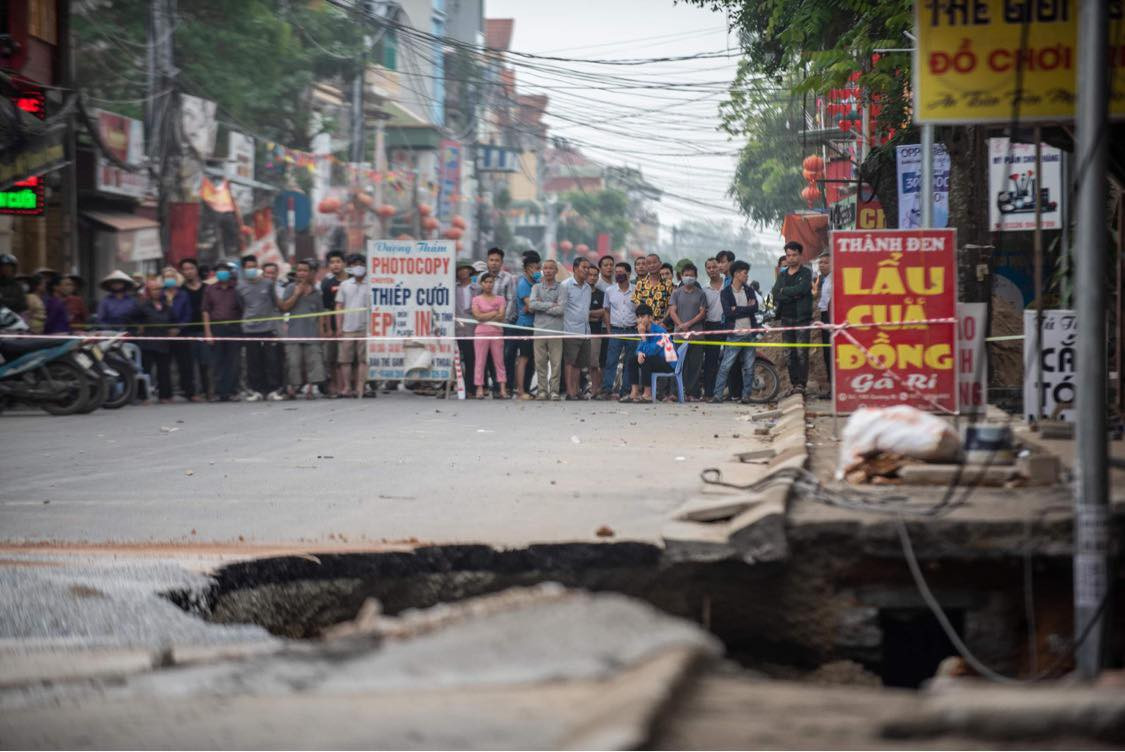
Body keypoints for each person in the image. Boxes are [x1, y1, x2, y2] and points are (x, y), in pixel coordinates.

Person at [713, 260, 760, 404]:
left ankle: (746, 396)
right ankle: (717, 395)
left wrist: (737, 309)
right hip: (734, 335)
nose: (747, 276)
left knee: (749, 368)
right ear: (737, 274)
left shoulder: (749, 290)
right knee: (725, 366)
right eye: (745, 273)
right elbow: (728, 313)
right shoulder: (726, 292)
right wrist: (745, 309)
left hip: (749, 335)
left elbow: (755, 308)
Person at [279, 259, 327, 399]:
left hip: (312, 333)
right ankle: (292, 389)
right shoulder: (290, 288)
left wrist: (322, 331)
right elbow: (284, 307)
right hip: (294, 333)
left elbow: (321, 314)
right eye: (299, 270)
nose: (301, 273)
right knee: (293, 363)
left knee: (313, 362)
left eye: (305, 270)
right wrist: (296, 294)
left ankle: (310, 389)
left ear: (311, 273)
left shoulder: (316, 292)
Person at [770, 241, 814, 396]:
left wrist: (785, 292)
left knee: (801, 352)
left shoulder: (806, 273)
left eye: (794, 255)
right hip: (786, 318)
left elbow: (802, 289)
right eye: (788, 255)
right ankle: (794, 383)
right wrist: (792, 294)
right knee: (789, 353)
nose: (791, 258)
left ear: (800, 256)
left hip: (802, 318)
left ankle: (801, 384)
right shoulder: (782, 275)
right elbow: (776, 293)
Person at [238, 254, 283, 401]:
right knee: (253, 361)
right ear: (243, 269)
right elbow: (241, 305)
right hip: (250, 329)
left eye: (254, 266)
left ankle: (273, 389)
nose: (251, 269)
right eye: (248, 267)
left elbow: (275, 302)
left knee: (271, 359)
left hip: (268, 328)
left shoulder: (267, 284)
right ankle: (256, 390)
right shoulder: (240, 286)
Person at [474, 247, 516, 395]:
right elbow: (477, 300)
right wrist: (491, 315)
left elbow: (511, 300)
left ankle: (502, 388)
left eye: (497, 260)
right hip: (483, 326)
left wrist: (503, 320)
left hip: (502, 324)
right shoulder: (481, 278)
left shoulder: (508, 278)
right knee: (482, 359)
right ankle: (483, 387)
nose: (494, 263)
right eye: (491, 260)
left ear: (501, 262)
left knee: (502, 358)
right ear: (487, 261)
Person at [202, 261, 244, 402]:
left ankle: (232, 391)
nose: (222, 273)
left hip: (234, 328)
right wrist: (208, 332)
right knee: (216, 362)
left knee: (234, 362)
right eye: (219, 271)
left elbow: (242, 309)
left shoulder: (237, 289)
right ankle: (217, 392)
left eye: (225, 270)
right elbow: (206, 311)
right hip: (216, 328)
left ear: (230, 273)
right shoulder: (210, 290)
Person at [602, 261, 640, 402]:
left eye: (621, 272)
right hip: (616, 330)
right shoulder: (609, 291)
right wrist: (609, 329)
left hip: (632, 330)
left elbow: (640, 312)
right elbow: (606, 311)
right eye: (616, 272)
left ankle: (626, 390)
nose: (618, 274)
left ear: (628, 273)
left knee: (630, 362)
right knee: (611, 361)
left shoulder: (637, 290)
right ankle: (607, 390)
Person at [335, 253, 371, 399]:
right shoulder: (345, 285)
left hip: (366, 328)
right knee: (345, 360)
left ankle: (360, 387)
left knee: (363, 359)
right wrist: (339, 326)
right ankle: (347, 387)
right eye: (355, 265)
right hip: (347, 328)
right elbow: (339, 306)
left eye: (361, 264)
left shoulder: (371, 284)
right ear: (350, 267)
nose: (358, 267)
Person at [669, 263, 707, 400]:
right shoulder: (676, 293)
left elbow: (702, 313)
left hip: (696, 335)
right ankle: (676, 392)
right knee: (679, 364)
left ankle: (693, 393)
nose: (688, 278)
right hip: (679, 335)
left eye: (691, 275)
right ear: (681, 276)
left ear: (696, 277)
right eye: (686, 275)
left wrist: (689, 324)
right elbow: (672, 311)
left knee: (695, 365)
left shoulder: (701, 294)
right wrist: (681, 325)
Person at [529, 258, 564, 400]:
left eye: (551, 268)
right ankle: (542, 391)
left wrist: (541, 305)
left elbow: (561, 309)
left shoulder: (562, 288)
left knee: (556, 363)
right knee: (540, 363)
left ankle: (554, 390)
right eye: (546, 268)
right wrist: (551, 304)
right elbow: (532, 305)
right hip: (539, 330)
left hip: (556, 331)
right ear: (542, 271)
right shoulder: (536, 287)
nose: (548, 271)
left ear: (556, 271)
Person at [470, 272, 510, 399]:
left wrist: (485, 316)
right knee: (480, 361)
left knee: (499, 362)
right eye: (486, 282)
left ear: (494, 283)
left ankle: (502, 388)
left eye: (491, 282)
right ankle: (479, 388)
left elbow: (501, 316)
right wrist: (493, 313)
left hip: (497, 332)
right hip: (481, 332)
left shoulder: (500, 299)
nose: (488, 284)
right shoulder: (476, 299)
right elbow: (477, 316)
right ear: (481, 284)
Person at [558, 258, 592, 400]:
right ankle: (570, 392)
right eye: (584, 267)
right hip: (570, 330)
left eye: (588, 267)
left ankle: (577, 390)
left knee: (579, 364)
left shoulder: (588, 288)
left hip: (585, 330)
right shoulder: (565, 285)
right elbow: (561, 307)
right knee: (570, 362)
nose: (587, 270)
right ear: (575, 268)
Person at [157, 267, 194, 400]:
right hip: (163, 333)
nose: (169, 279)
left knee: (185, 364)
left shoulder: (183, 294)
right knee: (163, 365)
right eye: (166, 277)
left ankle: (190, 392)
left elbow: (188, 314)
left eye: (172, 276)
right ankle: (165, 394)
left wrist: (178, 328)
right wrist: (166, 329)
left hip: (181, 333)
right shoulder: (159, 295)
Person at [139, 276, 174, 404]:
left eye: (159, 289)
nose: (157, 292)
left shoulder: (165, 306)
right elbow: (135, 319)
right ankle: (143, 397)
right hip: (148, 342)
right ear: (149, 291)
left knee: (164, 370)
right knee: (146, 370)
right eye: (154, 289)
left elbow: (171, 319)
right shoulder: (143, 306)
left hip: (163, 341)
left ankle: (164, 395)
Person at [177, 258, 208, 401]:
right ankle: (191, 392)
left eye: (191, 268)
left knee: (205, 362)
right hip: (186, 331)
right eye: (185, 269)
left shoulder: (207, 288)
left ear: (196, 270)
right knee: (188, 364)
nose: (188, 271)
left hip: (204, 330)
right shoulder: (180, 291)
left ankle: (208, 391)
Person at [512, 251, 541, 400]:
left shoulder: (537, 284)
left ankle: (527, 389)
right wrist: (539, 304)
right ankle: (520, 390)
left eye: (538, 267)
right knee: (523, 358)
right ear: (526, 269)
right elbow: (531, 307)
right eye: (533, 268)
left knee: (532, 360)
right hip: (525, 325)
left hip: (535, 325)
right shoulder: (523, 284)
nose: (536, 271)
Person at [320, 250, 348, 396]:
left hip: (349, 326)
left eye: (338, 262)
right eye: (332, 262)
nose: (335, 265)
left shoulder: (351, 280)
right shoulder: (326, 283)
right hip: (332, 326)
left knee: (346, 359)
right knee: (331, 359)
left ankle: (346, 386)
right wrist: (329, 329)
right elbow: (325, 308)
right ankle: (335, 386)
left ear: (344, 263)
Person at [634, 303, 675, 402]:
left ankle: (647, 394)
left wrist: (643, 336)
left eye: (642, 316)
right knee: (632, 360)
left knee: (646, 360)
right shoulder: (645, 331)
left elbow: (652, 352)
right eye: (638, 317)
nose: (640, 320)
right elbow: (639, 349)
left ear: (650, 318)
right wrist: (639, 353)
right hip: (656, 360)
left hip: (669, 362)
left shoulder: (660, 332)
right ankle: (634, 393)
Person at [701, 258, 726, 399]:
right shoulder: (704, 289)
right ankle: (709, 393)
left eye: (714, 267)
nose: (712, 270)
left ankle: (733, 392)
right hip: (711, 326)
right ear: (706, 270)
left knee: (730, 359)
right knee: (711, 360)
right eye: (709, 267)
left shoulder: (728, 284)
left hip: (728, 326)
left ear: (719, 267)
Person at [812, 251, 833, 397]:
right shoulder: (825, 280)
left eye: (825, 262)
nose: (822, 265)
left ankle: (834, 388)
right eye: (820, 262)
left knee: (831, 354)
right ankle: (831, 387)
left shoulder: (835, 279)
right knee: (827, 354)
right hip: (825, 316)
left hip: (832, 318)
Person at [632, 253, 674, 324]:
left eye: (654, 262)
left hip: (663, 325)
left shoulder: (669, 284)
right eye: (649, 263)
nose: (652, 265)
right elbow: (637, 305)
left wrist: (662, 321)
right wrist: (647, 319)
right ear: (646, 266)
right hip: (645, 324)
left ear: (660, 264)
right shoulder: (640, 284)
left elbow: (671, 306)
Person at [454, 261, 476, 390]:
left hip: (472, 328)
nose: (462, 272)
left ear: (470, 271)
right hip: (455, 328)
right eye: (460, 270)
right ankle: (454, 385)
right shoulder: (453, 288)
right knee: (454, 359)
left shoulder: (477, 289)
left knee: (470, 358)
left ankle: (470, 387)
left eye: (465, 269)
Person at [586, 264, 606, 398]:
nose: (592, 277)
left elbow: (603, 312)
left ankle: (595, 390)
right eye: (590, 275)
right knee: (577, 364)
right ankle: (576, 390)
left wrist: (588, 313)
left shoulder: (601, 294)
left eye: (595, 275)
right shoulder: (580, 291)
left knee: (594, 364)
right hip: (578, 331)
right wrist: (592, 315)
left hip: (595, 332)